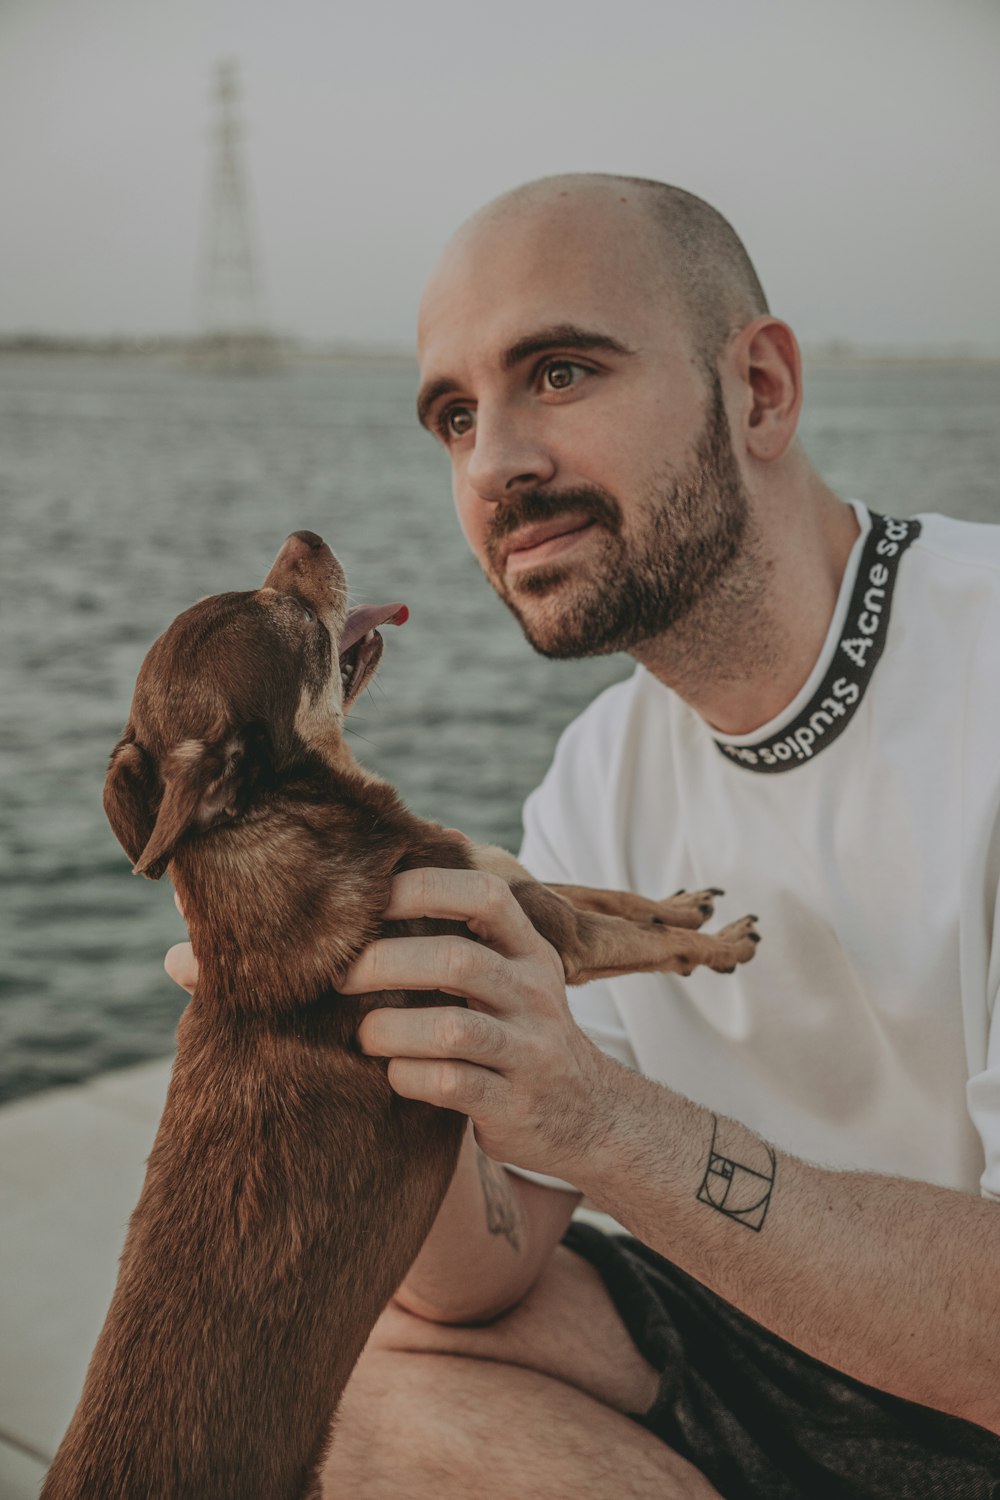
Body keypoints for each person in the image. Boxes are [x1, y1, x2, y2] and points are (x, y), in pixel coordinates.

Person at [166, 175, 1000, 1498]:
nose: (493, 464)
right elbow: (478, 1277)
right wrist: (366, 1038)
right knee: (359, 1379)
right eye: (454, 417)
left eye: (559, 371)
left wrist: (605, 1120)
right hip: (765, 1350)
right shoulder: (598, 770)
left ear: (762, 392)